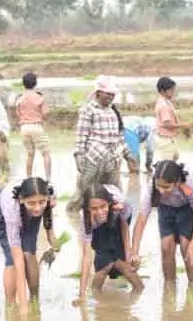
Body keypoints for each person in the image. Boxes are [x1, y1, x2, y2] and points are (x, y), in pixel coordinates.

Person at [0, 176, 60, 308]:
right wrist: (23, 306)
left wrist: (51, 236)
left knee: (29, 253)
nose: (37, 208)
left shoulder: (49, 194)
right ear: (22, 200)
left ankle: (35, 301)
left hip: (27, 212)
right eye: (32, 203)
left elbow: (45, 210)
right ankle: (11, 305)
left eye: (42, 202)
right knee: (12, 259)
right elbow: (18, 260)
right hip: (0, 215)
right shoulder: (11, 208)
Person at [130, 160, 193, 283]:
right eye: (158, 186)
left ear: (177, 182)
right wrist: (135, 252)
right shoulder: (152, 188)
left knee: (186, 246)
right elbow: (141, 220)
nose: (161, 191)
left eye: (166, 187)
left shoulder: (191, 185)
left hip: (187, 208)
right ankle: (169, 288)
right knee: (166, 246)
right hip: (166, 207)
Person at [68, 76, 133, 212]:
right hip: (93, 159)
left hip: (112, 158)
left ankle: (112, 222)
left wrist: (128, 155)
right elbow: (82, 134)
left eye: (112, 95)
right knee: (83, 193)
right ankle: (72, 217)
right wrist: (79, 156)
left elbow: (119, 137)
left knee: (115, 194)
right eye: (107, 94)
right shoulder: (89, 110)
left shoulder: (112, 112)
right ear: (98, 93)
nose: (110, 97)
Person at [74, 183, 144, 304]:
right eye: (94, 209)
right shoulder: (85, 220)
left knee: (125, 266)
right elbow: (87, 256)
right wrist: (81, 295)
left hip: (118, 217)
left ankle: (138, 292)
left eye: (103, 206)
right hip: (98, 226)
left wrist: (129, 254)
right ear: (87, 209)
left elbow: (124, 227)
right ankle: (95, 293)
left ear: (109, 203)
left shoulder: (120, 204)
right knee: (104, 262)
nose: (100, 211)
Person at [15, 72, 52, 180]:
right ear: (35, 84)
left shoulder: (20, 99)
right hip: (36, 126)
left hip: (24, 128)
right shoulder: (39, 97)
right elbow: (45, 114)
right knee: (46, 153)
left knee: (30, 154)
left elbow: (18, 114)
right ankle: (48, 179)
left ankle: (28, 178)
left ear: (23, 84)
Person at [152, 76, 188, 162]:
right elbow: (167, 124)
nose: (173, 93)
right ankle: (162, 174)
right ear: (162, 91)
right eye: (171, 91)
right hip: (165, 139)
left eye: (173, 90)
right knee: (168, 164)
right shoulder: (163, 105)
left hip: (170, 138)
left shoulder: (166, 102)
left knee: (175, 155)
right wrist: (182, 125)